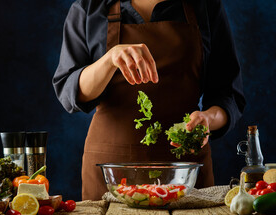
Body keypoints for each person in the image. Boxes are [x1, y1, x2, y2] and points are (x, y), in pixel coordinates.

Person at [53, 0, 246, 200]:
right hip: (110, 173)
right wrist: (109, 60)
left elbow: (229, 94)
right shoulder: (89, 8)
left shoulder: (205, 7)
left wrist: (207, 119)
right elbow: (70, 92)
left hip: (184, 172)